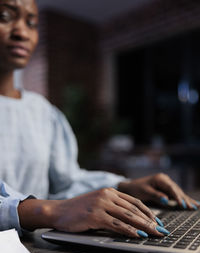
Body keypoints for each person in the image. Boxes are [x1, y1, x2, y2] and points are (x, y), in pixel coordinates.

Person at [0, 0, 198, 239]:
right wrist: (48, 210)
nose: (22, 32)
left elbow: (66, 182)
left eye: (31, 23)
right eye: (5, 16)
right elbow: (55, 206)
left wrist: (124, 186)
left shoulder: (43, 112)